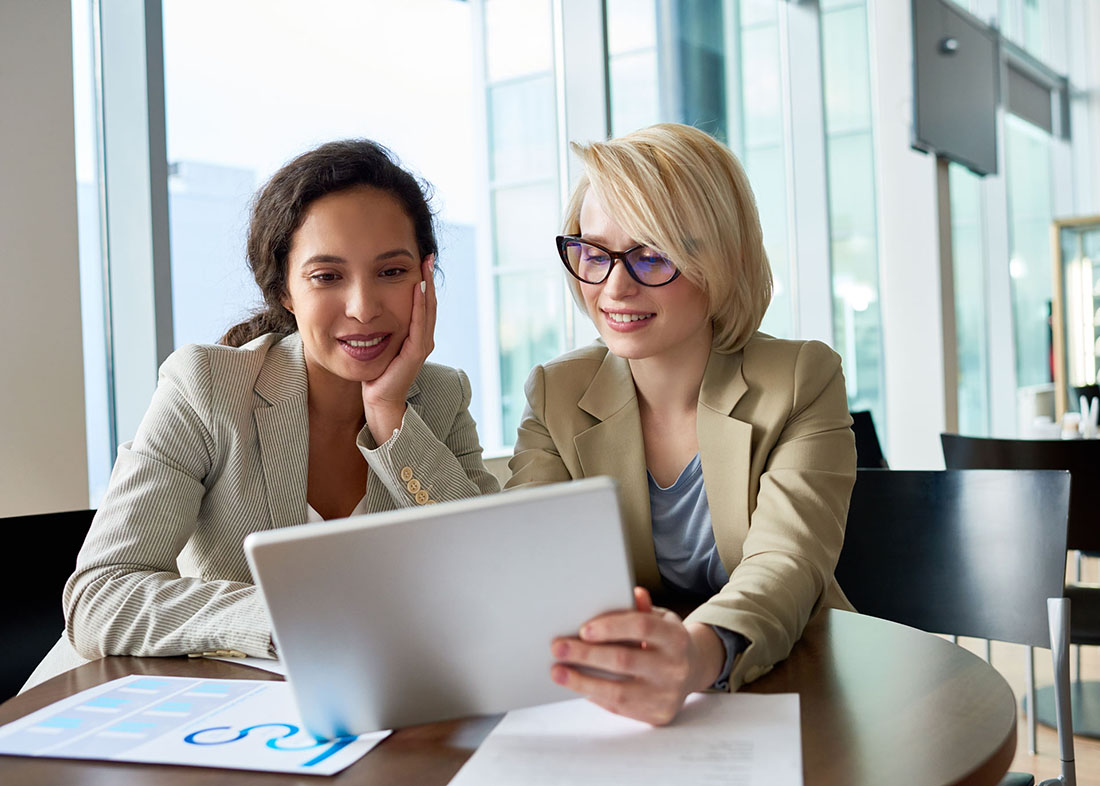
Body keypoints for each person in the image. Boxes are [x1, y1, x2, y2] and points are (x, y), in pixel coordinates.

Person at [27, 139, 498, 688]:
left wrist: (392, 417)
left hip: (347, 712)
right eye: (327, 276)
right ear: (285, 291)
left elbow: (495, 575)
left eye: (391, 272)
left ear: (424, 277)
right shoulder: (206, 386)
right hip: (146, 717)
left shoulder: (439, 398)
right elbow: (99, 595)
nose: (364, 307)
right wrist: (294, 618)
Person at [506, 123, 856, 725]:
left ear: (722, 261)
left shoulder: (801, 378)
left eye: (652, 254)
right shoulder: (556, 392)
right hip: (618, 698)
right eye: (594, 251)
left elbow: (786, 563)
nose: (614, 286)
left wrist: (696, 656)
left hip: (789, 680)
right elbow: (527, 557)